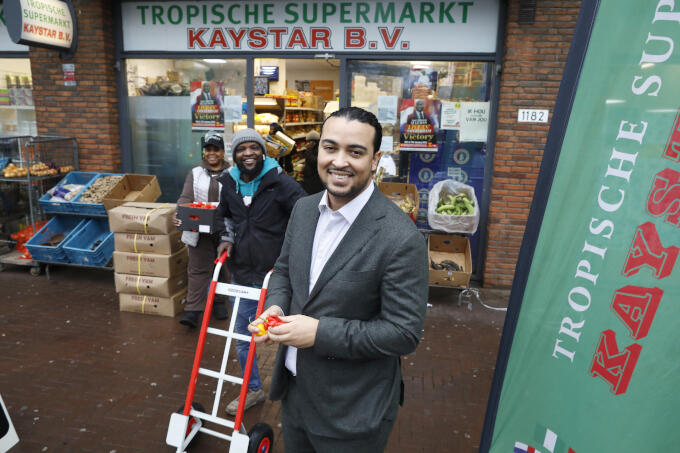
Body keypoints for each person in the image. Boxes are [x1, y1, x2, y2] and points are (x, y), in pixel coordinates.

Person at [250, 107, 428, 452]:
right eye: (330, 148)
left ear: (375, 160)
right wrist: (275, 305)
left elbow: (403, 333)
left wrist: (318, 333)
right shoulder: (304, 210)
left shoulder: (400, 237)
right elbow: (285, 270)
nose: (339, 161)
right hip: (295, 395)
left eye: (355, 152)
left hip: (353, 412)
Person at [215, 128, 306, 416]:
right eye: (242, 149)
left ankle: (300, 389)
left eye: (254, 147)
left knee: (289, 335)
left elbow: (305, 213)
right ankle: (252, 388)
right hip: (242, 272)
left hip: (277, 277)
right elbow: (225, 215)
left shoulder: (279, 181)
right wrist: (226, 238)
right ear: (235, 154)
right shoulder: (229, 183)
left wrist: (294, 251)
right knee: (243, 337)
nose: (248, 154)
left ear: (262, 151)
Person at [174, 131, 231, 328]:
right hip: (198, 229)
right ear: (204, 152)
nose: (212, 153)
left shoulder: (233, 173)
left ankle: (219, 302)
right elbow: (185, 197)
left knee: (222, 268)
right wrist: (180, 212)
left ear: (223, 151)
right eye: (208, 149)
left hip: (224, 229)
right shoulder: (195, 173)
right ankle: (193, 310)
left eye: (216, 149)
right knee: (197, 269)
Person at [300, 130, 324, 195]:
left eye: (309, 141)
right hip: (310, 178)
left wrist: (308, 150)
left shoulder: (320, 149)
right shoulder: (314, 149)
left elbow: (314, 162)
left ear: (313, 142)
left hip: (315, 180)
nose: (307, 143)